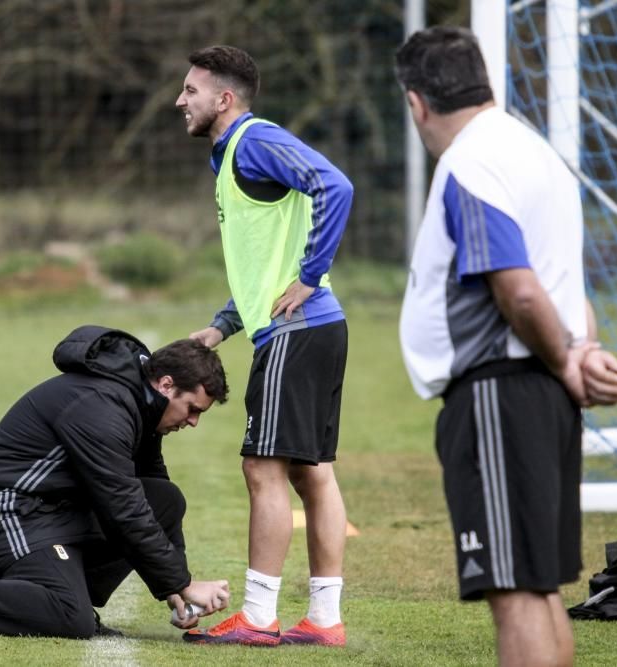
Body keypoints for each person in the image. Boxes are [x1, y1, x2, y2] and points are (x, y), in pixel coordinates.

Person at [394, 27, 617, 667]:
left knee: (515, 593)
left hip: (500, 392)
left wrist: (564, 363)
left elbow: (521, 292)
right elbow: (566, 283)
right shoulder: (536, 152)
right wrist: (582, 351)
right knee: (537, 589)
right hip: (537, 392)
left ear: (416, 102)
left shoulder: (471, 162)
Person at [174, 45, 354, 647]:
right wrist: (223, 326)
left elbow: (336, 185)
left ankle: (257, 616)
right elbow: (262, 260)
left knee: (262, 467)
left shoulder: (253, 140)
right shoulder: (230, 157)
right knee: (313, 474)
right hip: (315, 330)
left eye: (191, 90)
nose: (181, 100)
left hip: (296, 335)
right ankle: (324, 620)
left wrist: (311, 273)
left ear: (224, 99)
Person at [0, 325, 232, 639]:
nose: (193, 422)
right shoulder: (103, 406)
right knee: (72, 617)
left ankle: (65, 594)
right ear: (166, 385)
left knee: (166, 498)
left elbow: (150, 494)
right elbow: (122, 505)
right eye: (192, 409)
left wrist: (172, 585)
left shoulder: (140, 405)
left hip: (50, 510)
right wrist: (185, 584)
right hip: (1, 509)